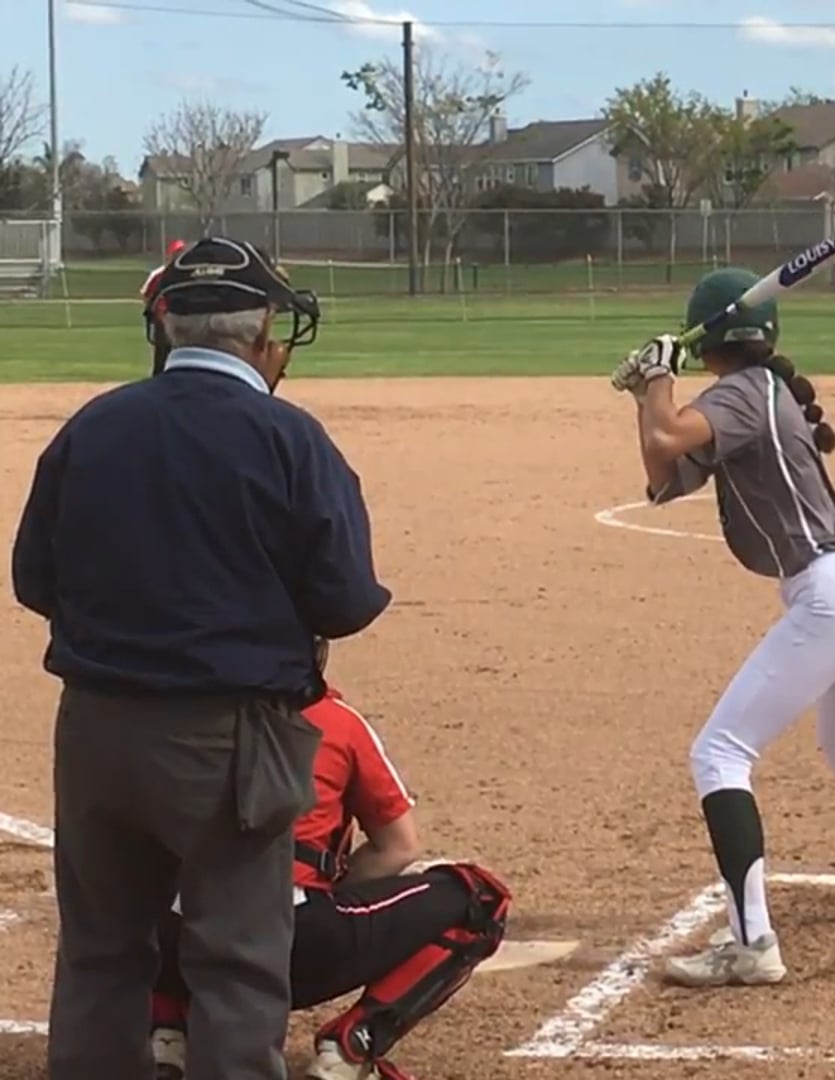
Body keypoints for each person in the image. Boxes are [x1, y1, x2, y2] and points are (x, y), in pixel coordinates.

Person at [11, 235, 391, 1080]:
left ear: (166, 328)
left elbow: (34, 578)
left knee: (102, 951)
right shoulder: (290, 437)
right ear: (262, 336)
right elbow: (346, 599)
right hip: (229, 736)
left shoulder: (93, 426)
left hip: (97, 726)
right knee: (238, 958)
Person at [611, 267, 835, 988]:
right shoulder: (750, 394)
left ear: (709, 338)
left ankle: (752, 943)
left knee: (719, 754)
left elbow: (669, 431)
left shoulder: (743, 392)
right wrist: (647, 393)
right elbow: (663, 467)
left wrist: (660, 380)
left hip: (834, 590)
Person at [150, 643, 511, 1080]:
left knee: (127, 884)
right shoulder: (336, 721)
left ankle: (166, 1033)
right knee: (479, 900)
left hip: (184, 942)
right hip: (298, 945)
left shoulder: (178, 712)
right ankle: (351, 1049)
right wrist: (333, 894)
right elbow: (398, 846)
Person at [142, 239, 188, 376]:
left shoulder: (188, 272)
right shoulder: (159, 273)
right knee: (161, 356)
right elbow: (146, 294)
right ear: (170, 254)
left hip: (182, 319)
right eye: (177, 252)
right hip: (162, 320)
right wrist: (154, 313)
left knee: (181, 354)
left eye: (181, 252)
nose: (179, 255)